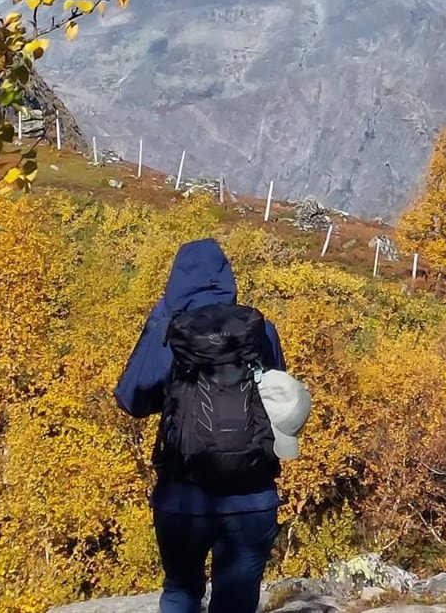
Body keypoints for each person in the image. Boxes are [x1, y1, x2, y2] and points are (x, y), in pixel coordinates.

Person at [115, 238, 310, 613]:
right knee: (236, 602)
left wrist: (158, 325)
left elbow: (132, 400)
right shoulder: (259, 330)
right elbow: (277, 398)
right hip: (253, 497)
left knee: (180, 592)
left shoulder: (169, 330)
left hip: (183, 498)